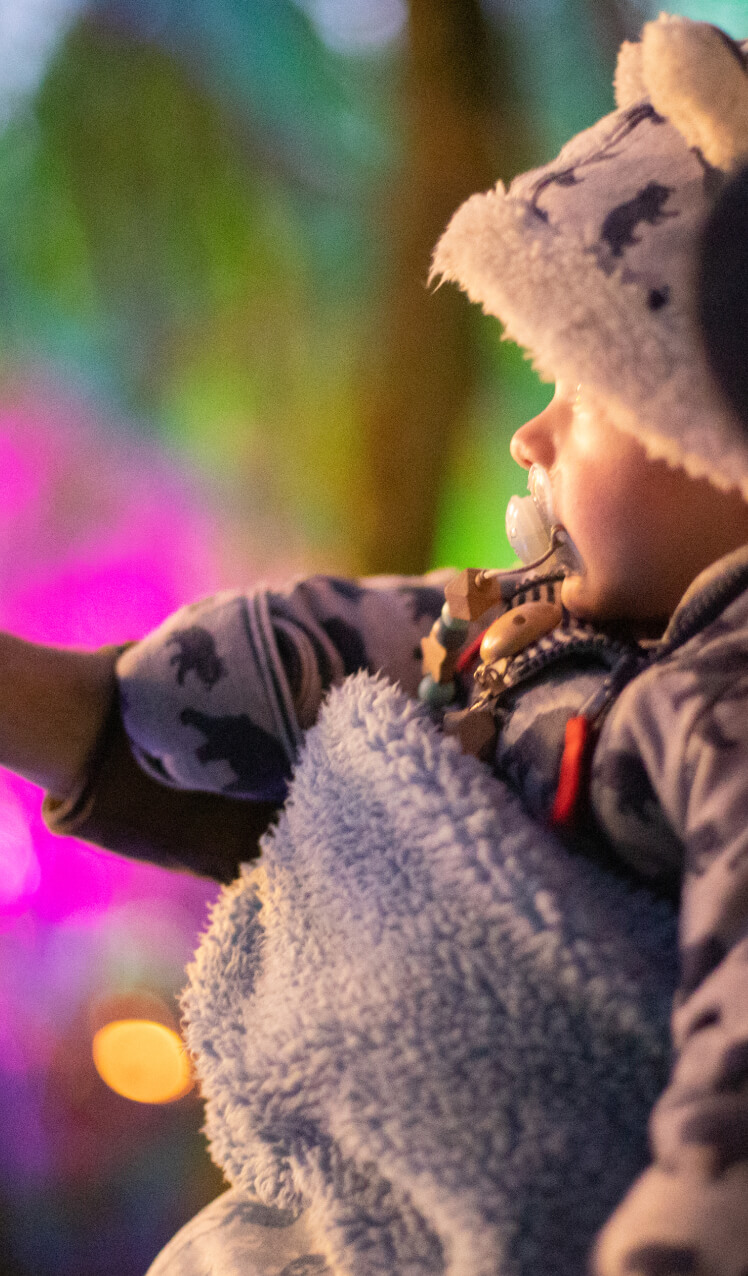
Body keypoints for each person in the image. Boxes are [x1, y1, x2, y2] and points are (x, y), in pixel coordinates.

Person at [4, 12, 748, 1275]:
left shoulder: (717, 704)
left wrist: (702, 1207)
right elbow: (328, 647)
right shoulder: (546, 612)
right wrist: (137, 697)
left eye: (591, 387)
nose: (532, 436)